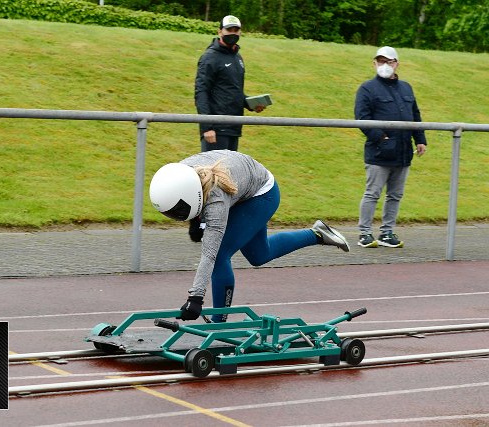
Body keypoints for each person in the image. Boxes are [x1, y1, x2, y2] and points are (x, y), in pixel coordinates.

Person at [149, 150, 350, 322]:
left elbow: (209, 254)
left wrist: (195, 298)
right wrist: (195, 219)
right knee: (260, 255)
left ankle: (219, 323)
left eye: (177, 211)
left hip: (262, 194)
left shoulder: (216, 202)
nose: (174, 216)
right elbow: (196, 197)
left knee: (219, 255)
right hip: (241, 186)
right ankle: (317, 234)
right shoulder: (180, 173)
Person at [354, 46, 427, 249]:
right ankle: (365, 233)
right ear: (374, 63)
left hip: (403, 152)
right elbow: (362, 118)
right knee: (372, 193)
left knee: (395, 195)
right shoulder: (367, 88)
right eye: (381, 61)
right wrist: (382, 138)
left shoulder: (406, 88)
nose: (384, 65)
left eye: (389, 61)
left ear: (396, 64)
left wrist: (420, 139)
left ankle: (387, 232)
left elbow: (415, 115)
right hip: (379, 152)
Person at [194, 15, 266, 153]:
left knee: (231, 167)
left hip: (234, 127)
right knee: (215, 167)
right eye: (229, 30)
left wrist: (251, 104)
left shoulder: (237, 57)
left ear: (240, 32)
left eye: (236, 30)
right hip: (216, 130)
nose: (233, 33)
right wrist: (207, 127)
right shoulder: (209, 57)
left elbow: (233, 91)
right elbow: (201, 92)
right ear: (220, 32)